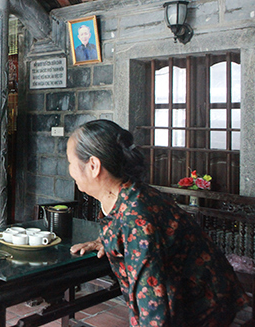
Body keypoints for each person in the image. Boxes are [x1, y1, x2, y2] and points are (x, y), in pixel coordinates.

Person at [67, 119, 247, 327]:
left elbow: (156, 310)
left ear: (93, 166)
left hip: (203, 307)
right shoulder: (128, 193)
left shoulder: (138, 219)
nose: (70, 170)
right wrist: (103, 240)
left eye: (71, 162)